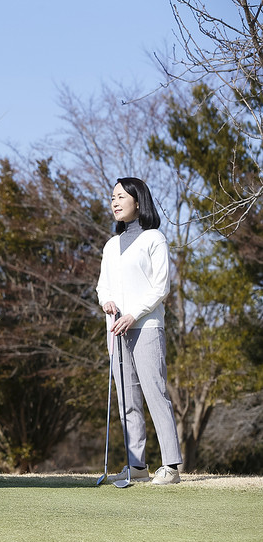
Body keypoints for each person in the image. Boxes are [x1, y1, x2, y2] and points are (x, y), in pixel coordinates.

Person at [96, 177, 183, 485]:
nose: (115, 202)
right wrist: (106, 301)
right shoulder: (110, 245)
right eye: (112, 197)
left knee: (155, 394)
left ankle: (171, 467)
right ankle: (137, 467)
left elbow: (161, 287)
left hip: (146, 327)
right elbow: (102, 285)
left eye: (121, 196)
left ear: (137, 200)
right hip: (116, 331)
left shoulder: (154, 239)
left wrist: (133, 314)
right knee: (127, 401)